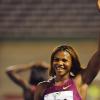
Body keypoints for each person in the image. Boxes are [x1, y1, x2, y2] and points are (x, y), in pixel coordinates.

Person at [34, 43, 100, 100]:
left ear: (72, 63)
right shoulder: (42, 87)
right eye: (56, 60)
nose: (59, 63)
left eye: (64, 60)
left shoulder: (80, 81)